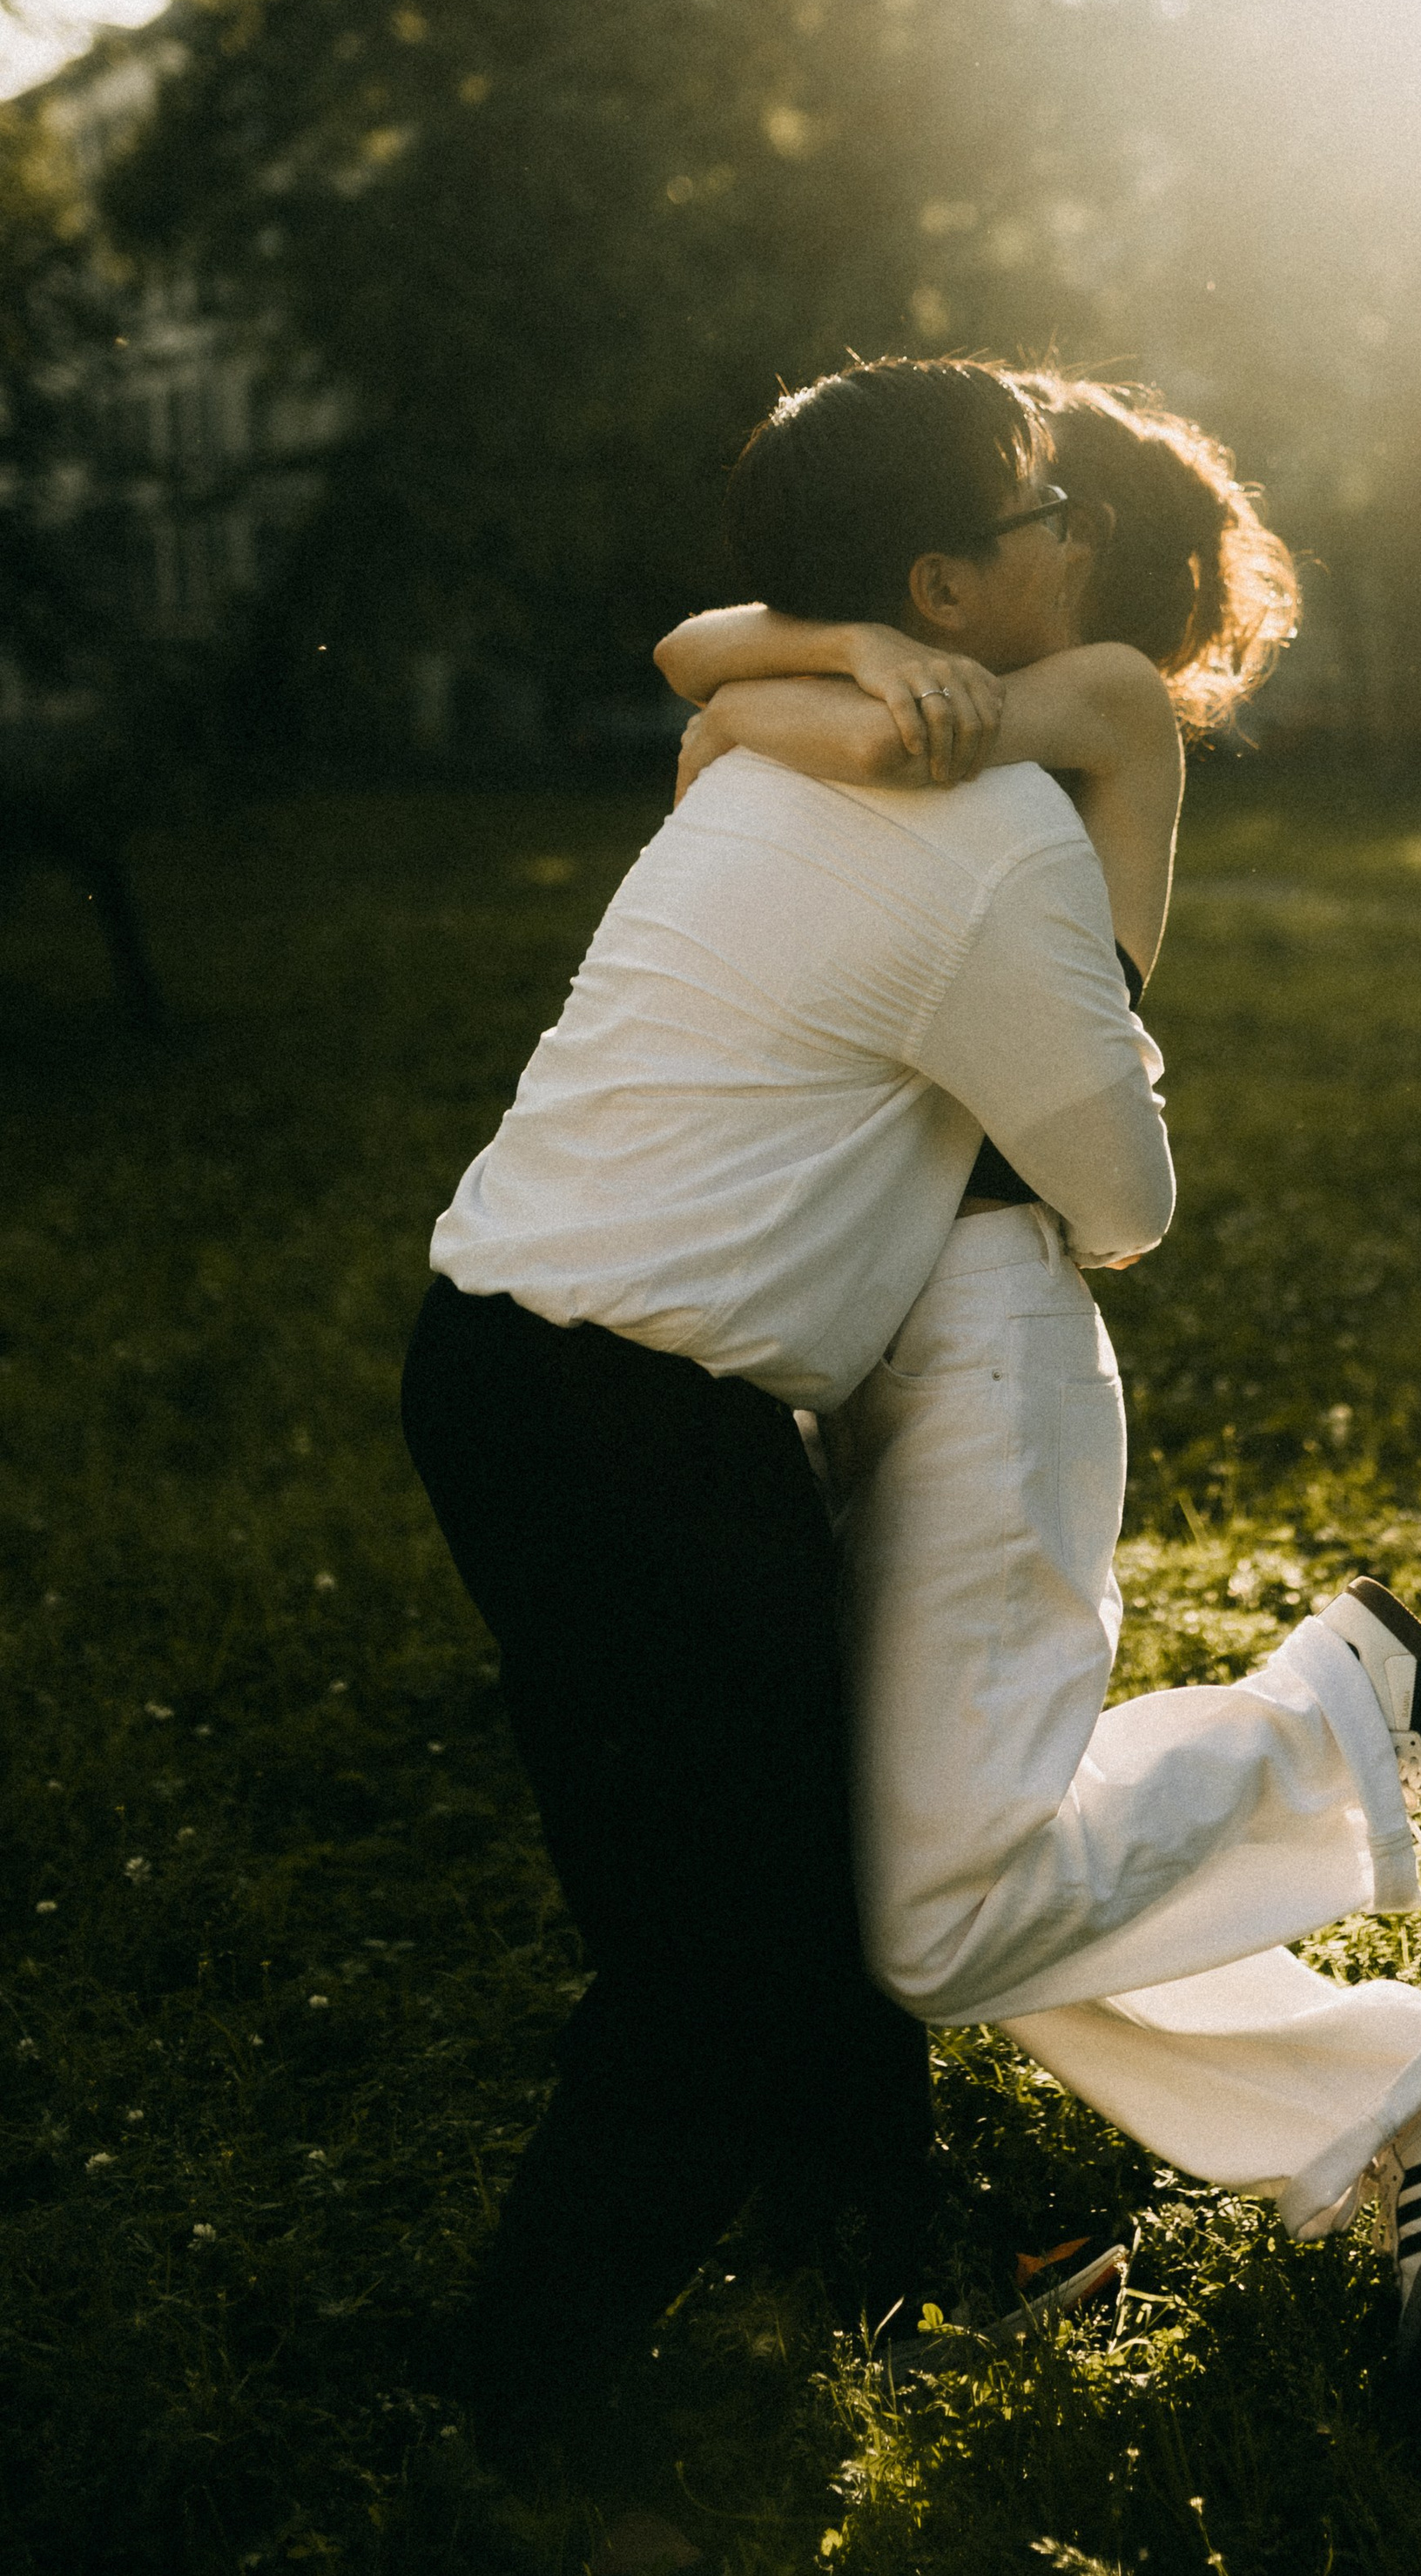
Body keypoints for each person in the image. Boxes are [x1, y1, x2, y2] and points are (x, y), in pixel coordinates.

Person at [657, 374, 1421, 2406]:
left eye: (1047, 513)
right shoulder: (968, 694)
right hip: (878, 1306)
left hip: (989, 1312)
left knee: (935, 1907)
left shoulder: (1086, 702)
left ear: (1079, 577)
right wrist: (830, 655)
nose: (1023, 534)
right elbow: (706, 654)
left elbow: (723, 693)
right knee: (954, 1858)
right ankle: (1407, 2095)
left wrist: (786, 696)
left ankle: (1325, 1712)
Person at [400, 361, 1178, 2466]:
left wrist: (824, 671)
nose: (1072, 527)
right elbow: (1121, 1201)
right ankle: (528, 2421)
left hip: (520, 1360)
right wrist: (1118, 888)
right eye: (1038, 508)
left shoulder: (771, 748)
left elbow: (718, 665)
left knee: (779, 1864)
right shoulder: (995, 830)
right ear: (942, 579)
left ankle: (894, 2263)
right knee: (711, 1962)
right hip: (629, 1415)